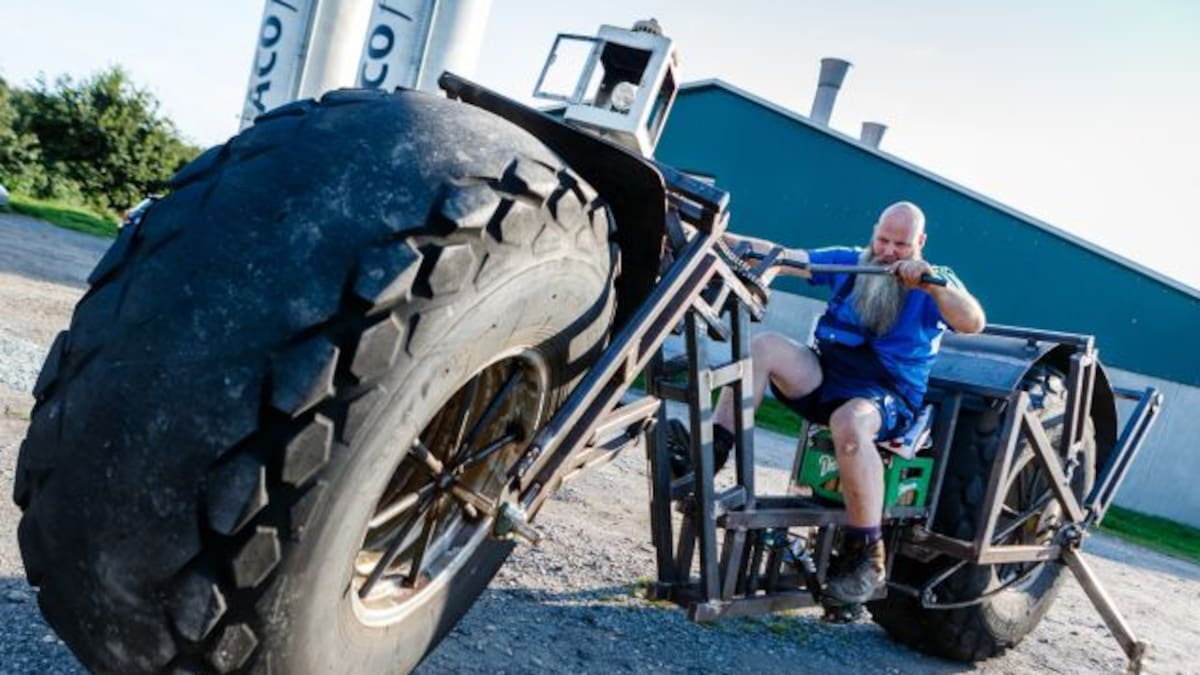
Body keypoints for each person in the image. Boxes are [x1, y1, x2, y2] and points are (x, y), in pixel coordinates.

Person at [669, 201, 986, 606]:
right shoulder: (851, 262)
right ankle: (705, 463)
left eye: (901, 245)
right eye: (883, 240)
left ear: (920, 243)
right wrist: (710, 234)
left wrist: (932, 284)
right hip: (828, 374)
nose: (889, 251)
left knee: (850, 423)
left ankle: (867, 558)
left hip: (886, 392)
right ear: (874, 233)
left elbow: (972, 321)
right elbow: (783, 257)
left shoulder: (936, 281)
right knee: (764, 346)